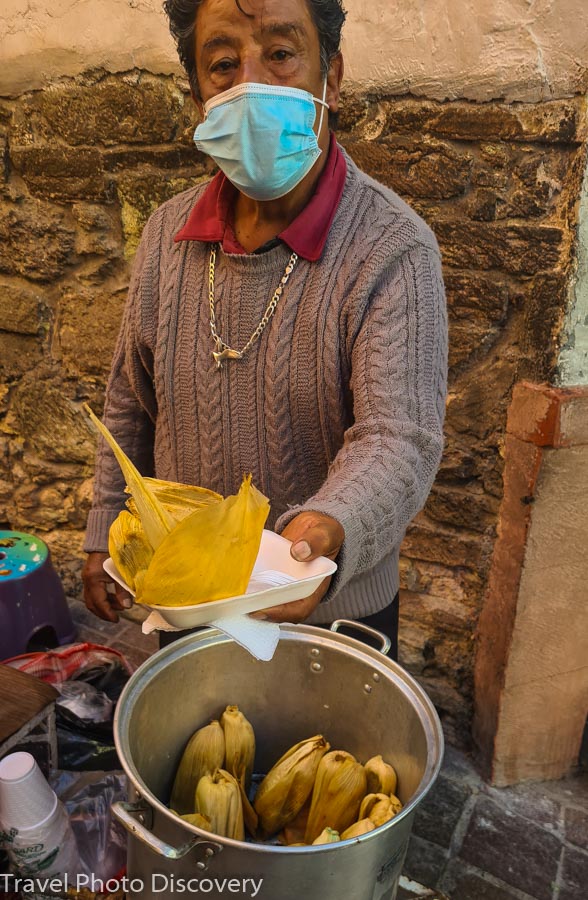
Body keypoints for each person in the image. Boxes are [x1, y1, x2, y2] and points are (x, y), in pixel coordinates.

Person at [82, 0, 447, 660]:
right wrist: (104, 525)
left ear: (330, 80)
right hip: (192, 606)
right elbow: (129, 406)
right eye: (223, 64)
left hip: (329, 611)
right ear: (196, 96)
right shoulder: (167, 236)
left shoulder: (393, 248)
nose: (251, 84)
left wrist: (323, 529)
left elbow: (400, 437)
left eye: (281, 54)